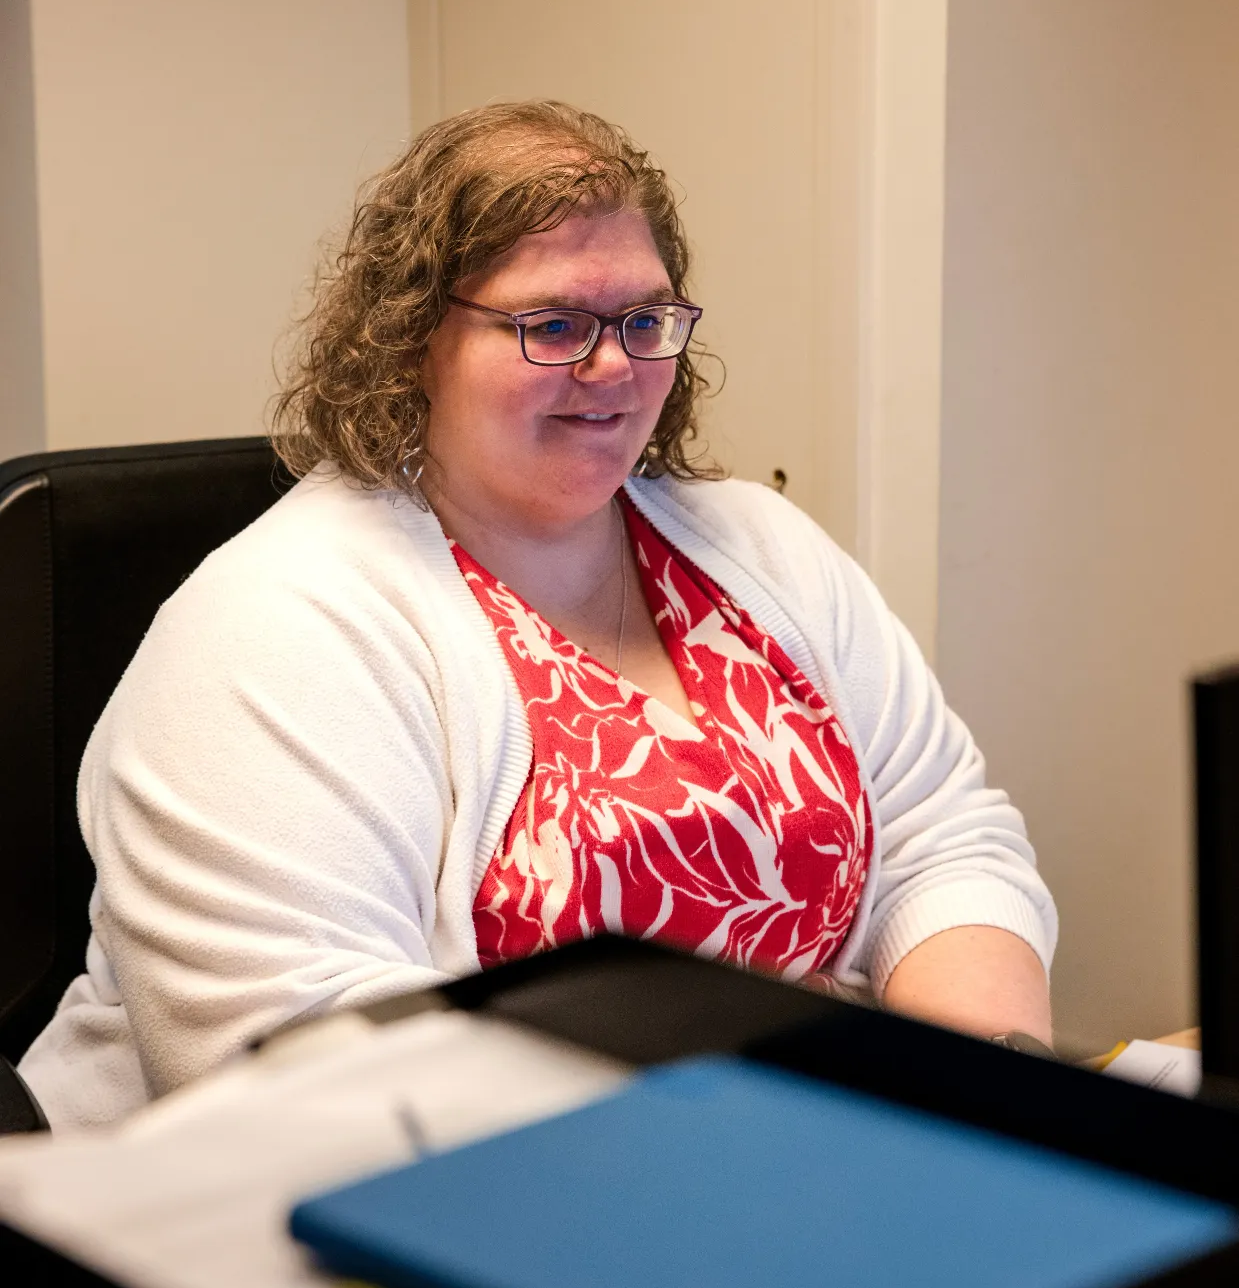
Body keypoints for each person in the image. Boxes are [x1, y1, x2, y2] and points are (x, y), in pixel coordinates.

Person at [21, 101, 1055, 1127]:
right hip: (330, 1221)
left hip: (776, 1160)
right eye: (553, 324)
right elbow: (299, 1070)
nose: (615, 368)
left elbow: (939, 838)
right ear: (414, 340)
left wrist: (991, 1102)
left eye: (645, 319)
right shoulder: (274, 625)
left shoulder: (759, 545)